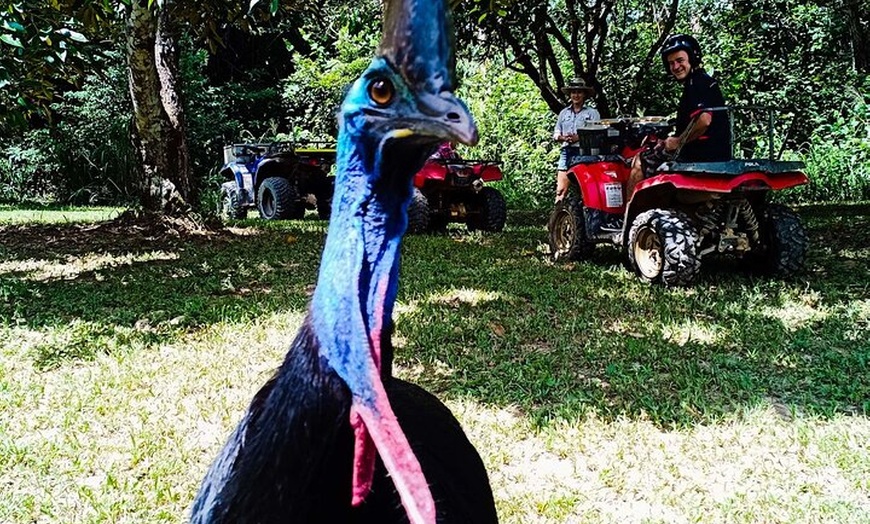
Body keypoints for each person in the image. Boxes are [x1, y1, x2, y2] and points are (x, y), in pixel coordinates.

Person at [626, 34, 731, 196]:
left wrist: (678, 141)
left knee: (640, 160)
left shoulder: (697, 83)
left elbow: (704, 121)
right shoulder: (701, 82)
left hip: (699, 154)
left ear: (692, 59)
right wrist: (670, 140)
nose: (675, 66)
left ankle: (630, 217)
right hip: (713, 151)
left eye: (680, 60)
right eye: (671, 63)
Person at [553, 77, 600, 202]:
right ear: (570, 95)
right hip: (566, 152)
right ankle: (558, 218)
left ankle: (585, 217)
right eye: (573, 92)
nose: (576, 95)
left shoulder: (592, 113)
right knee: (560, 190)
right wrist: (564, 138)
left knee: (585, 189)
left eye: (579, 92)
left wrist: (579, 138)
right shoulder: (564, 113)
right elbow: (556, 134)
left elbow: (598, 133)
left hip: (584, 152)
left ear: (584, 94)